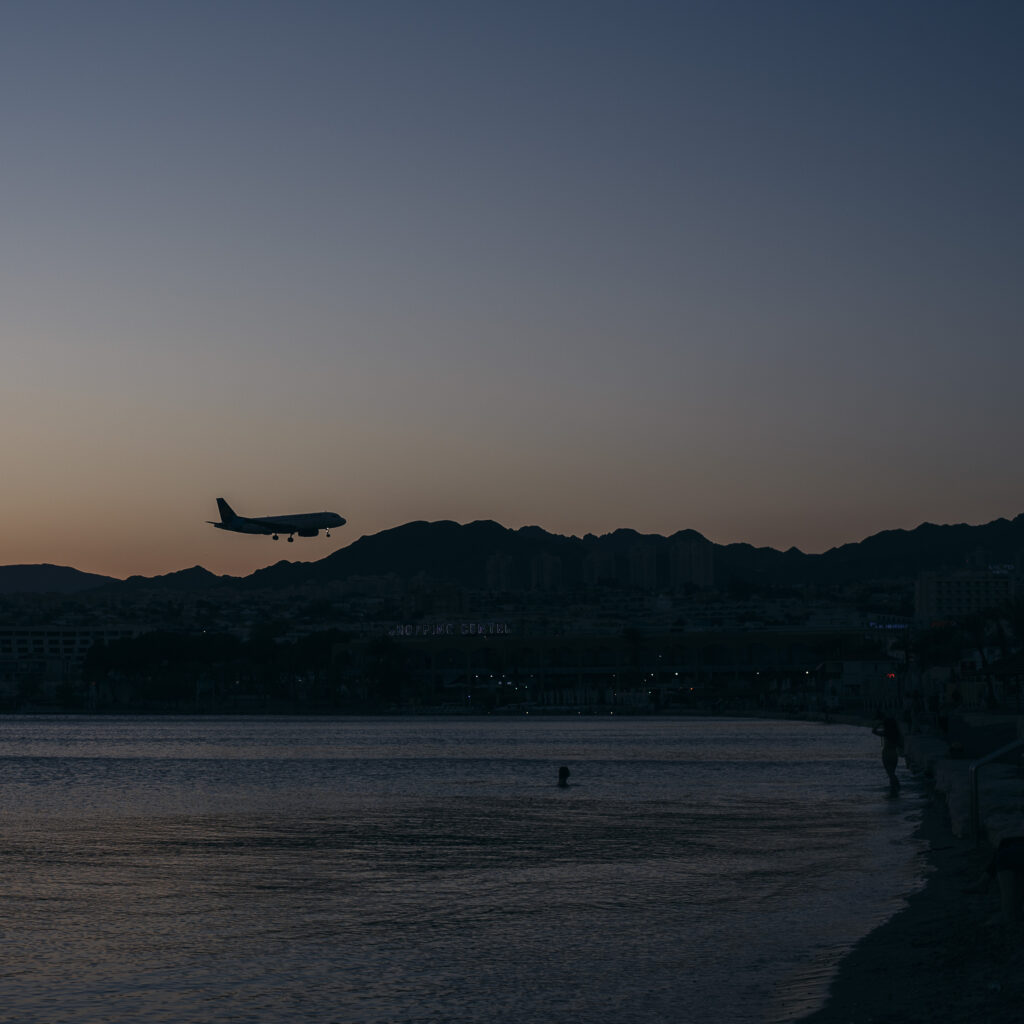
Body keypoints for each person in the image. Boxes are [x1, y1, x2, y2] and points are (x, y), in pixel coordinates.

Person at [872, 715, 904, 794]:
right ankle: (894, 791)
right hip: (894, 754)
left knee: (890, 774)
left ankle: (897, 788)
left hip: (886, 754)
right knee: (892, 773)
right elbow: (901, 745)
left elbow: (874, 731)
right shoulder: (897, 734)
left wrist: (879, 724)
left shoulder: (885, 733)